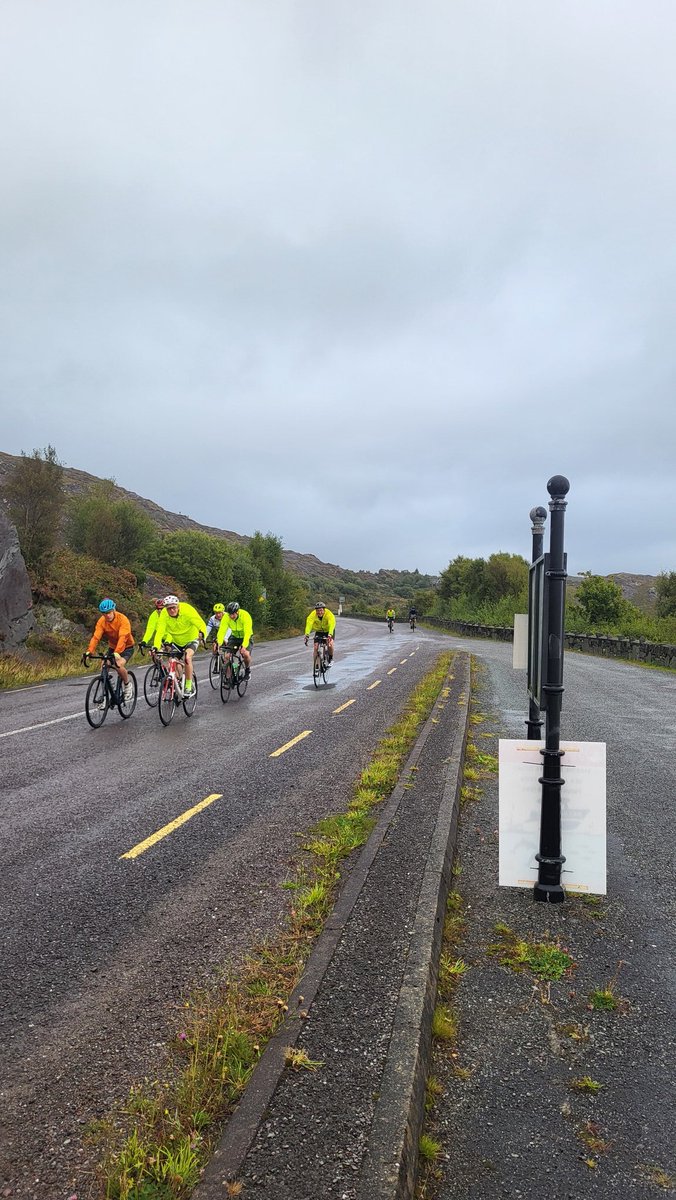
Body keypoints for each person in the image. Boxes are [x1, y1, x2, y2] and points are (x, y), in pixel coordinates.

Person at [152, 594, 207, 694]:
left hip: (191, 639)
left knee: (187, 658)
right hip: (176, 641)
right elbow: (160, 631)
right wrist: (156, 646)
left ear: (178, 606)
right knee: (171, 662)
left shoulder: (187, 610)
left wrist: (202, 633)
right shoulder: (164, 614)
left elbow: (200, 623)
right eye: (169, 609)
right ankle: (179, 680)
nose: (172, 611)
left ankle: (188, 686)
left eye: (174, 608)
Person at [84, 598, 135, 700]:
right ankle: (106, 691)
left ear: (114, 610)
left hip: (126, 647)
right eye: (104, 613)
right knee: (104, 665)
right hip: (112, 647)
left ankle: (127, 684)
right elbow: (96, 637)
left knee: (118, 665)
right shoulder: (102, 621)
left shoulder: (123, 619)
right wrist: (89, 651)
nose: (107, 615)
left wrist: (117, 652)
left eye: (109, 612)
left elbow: (123, 637)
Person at [216, 601, 254, 678]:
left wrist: (244, 646)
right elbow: (222, 630)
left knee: (246, 654)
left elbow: (247, 633)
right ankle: (230, 677)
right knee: (227, 656)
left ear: (237, 612)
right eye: (230, 614)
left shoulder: (245, 616)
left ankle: (247, 669)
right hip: (234, 637)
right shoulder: (226, 617)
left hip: (246, 636)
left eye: (233, 614)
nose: (231, 616)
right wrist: (219, 643)